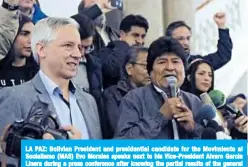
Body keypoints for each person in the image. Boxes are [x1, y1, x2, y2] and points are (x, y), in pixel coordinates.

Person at [0, 17, 102, 140]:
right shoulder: (14, 98)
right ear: (42, 49)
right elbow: (6, 157)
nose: (78, 54)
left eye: (79, 47)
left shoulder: (89, 101)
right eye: (68, 45)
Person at [115, 37, 203, 139]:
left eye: (175, 62)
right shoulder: (134, 99)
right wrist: (160, 118)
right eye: (162, 62)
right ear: (150, 71)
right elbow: (122, 145)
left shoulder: (194, 101)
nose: (170, 67)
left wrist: (193, 128)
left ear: (184, 70)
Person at [102, 46, 150, 138]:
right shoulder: (112, 94)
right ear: (129, 68)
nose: (150, 71)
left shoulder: (155, 95)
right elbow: (118, 130)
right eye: (145, 66)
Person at [165, 12, 233, 70]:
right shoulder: (161, 64)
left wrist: (221, 26)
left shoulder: (196, 63)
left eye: (188, 38)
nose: (185, 42)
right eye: (180, 39)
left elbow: (223, 56)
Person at [100, 14, 149, 88]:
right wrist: (123, 45)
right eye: (135, 35)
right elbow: (112, 71)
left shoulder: (145, 55)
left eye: (143, 36)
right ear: (122, 34)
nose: (140, 41)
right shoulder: (107, 52)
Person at [71, 13, 102, 103]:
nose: (82, 53)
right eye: (79, 47)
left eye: (87, 47)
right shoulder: (53, 64)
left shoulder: (95, 65)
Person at [0, 14, 39, 87]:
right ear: (10, 35)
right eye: (24, 34)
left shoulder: (38, 74)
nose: (31, 40)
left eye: (33, 35)